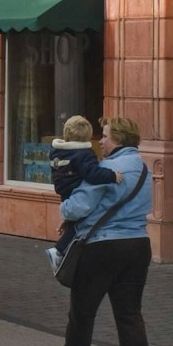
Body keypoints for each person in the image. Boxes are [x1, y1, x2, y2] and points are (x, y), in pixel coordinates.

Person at [35, 116, 154, 346]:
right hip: (138, 245)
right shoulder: (143, 169)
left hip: (102, 247)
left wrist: (64, 208)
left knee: (82, 317)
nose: (100, 141)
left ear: (119, 139)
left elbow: (79, 207)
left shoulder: (106, 168)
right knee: (130, 318)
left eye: (105, 136)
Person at [48, 115, 120, 268]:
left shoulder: (57, 152)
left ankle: (65, 254)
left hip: (64, 191)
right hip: (77, 190)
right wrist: (112, 175)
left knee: (73, 223)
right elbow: (92, 174)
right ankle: (59, 250)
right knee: (78, 226)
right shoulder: (84, 154)